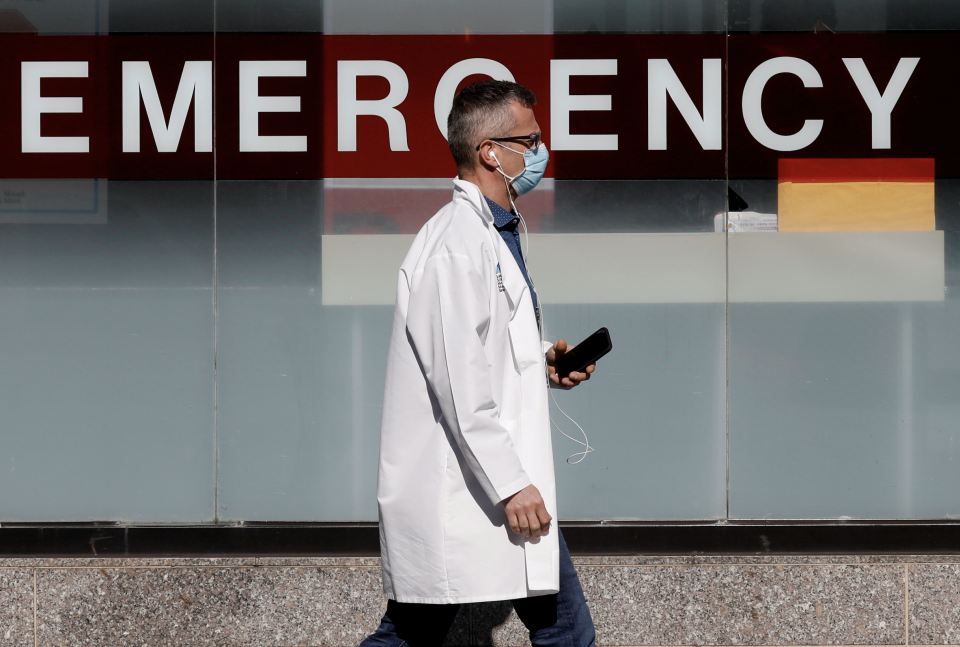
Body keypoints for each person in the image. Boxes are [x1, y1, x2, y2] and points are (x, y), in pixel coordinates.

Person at [360, 80, 597, 647]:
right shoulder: (455, 245)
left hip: (487, 476)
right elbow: (458, 384)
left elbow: (480, 348)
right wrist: (513, 485)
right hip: (474, 482)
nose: (541, 151)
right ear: (492, 151)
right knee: (561, 629)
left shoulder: (492, 233)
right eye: (531, 139)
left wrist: (543, 360)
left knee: (416, 631)